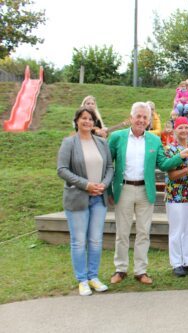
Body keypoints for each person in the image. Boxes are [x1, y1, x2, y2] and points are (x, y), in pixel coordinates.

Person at [108, 102, 188, 285]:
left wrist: (181, 156)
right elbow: (107, 165)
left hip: (146, 191)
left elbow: (163, 164)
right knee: (122, 232)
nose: (141, 120)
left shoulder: (154, 140)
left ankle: (141, 271)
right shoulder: (116, 137)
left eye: (145, 117)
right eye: (138, 116)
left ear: (149, 121)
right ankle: (120, 269)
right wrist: (108, 190)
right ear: (131, 118)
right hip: (124, 189)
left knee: (143, 232)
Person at [57, 107, 114, 296]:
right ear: (77, 121)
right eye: (83, 118)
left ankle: (93, 277)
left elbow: (110, 167)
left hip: (99, 198)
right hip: (78, 199)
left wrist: (103, 185)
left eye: (90, 119)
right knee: (79, 241)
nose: (87, 122)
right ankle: (82, 280)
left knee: (96, 240)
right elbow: (62, 170)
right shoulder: (69, 143)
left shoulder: (102, 143)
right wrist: (86, 184)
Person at [164, 117, 188, 277]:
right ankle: (176, 263)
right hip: (176, 196)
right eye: (180, 128)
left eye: (186, 127)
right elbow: (172, 175)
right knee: (177, 230)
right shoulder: (170, 150)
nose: (184, 131)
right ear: (174, 130)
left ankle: (187, 261)